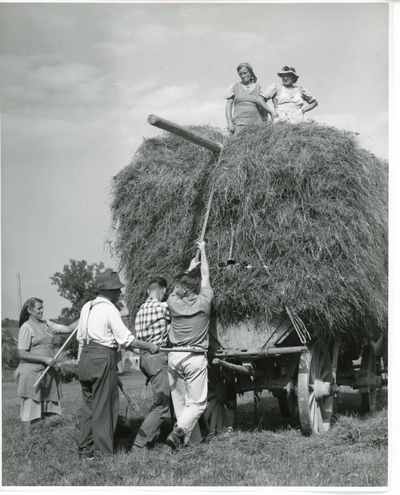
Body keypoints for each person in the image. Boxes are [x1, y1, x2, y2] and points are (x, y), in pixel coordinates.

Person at [76, 268, 159, 458]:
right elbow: (126, 339)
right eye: (117, 289)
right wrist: (149, 346)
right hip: (102, 357)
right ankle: (103, 453)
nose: (119, 292)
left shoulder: (86, 307)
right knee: (105, 407)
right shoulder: (109, 309)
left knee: (88, 406)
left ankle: (85, 449)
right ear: (108, 291)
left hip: (85, 358)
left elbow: (81, 338)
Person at [166, 240, 214, 449]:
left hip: (174, 357)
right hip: (194, 357)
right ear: (195, 289)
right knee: (197, 403)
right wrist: (203, 251)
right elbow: (206, 276)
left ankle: (182, 439)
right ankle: (179, 432)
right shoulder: (204, 302)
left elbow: (177, 287)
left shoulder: (173, 303)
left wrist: (189, 267)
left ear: (181, 290)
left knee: (180, 402)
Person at [16, 297, 76, 432]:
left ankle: (45, 440)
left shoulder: (47, 324)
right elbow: (21, 353)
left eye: (42, 308)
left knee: (49, 412)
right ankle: (28, 443)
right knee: (31, 411)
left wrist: (85, 315)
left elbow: (68, 328)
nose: (42, 311)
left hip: (48, 374)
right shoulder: (26, 327)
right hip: (32, 375)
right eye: (39, 308)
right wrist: (44, 359)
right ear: (30, 310)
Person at [133, 276, 171, 449]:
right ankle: (140, 444)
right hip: (157, 358)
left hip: (144, 359)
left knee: (160, 399)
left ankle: (159, 434)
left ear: (149, 290)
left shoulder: (141, 309)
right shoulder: (162, 307)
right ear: (162, 290)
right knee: (162, 404)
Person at [225, 62, 274, 135]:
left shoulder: (258, 87)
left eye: (244, 73)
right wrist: (229, 122)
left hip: (256, 125)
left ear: (250, 73)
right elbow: (228, 105)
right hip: (239, 124)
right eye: (240, 74)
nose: (242, 76)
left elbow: (262, 105)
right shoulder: (235, 87)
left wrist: (268, 117)